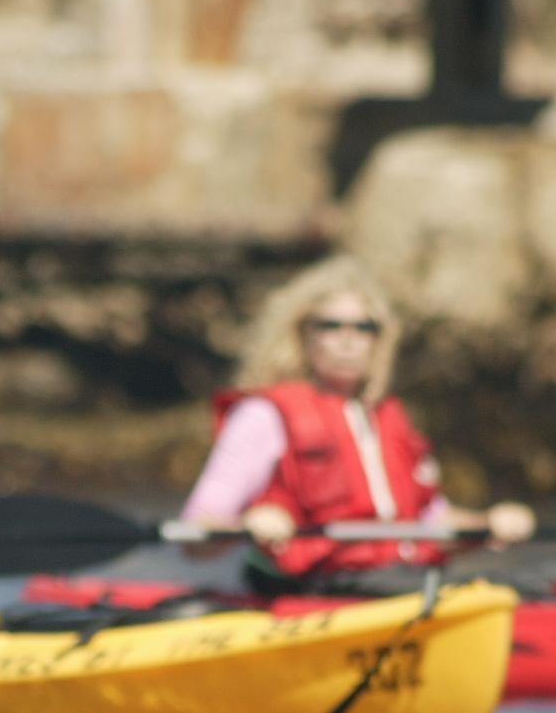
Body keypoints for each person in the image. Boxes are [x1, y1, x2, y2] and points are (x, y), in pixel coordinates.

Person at [179, 255, 535, 596]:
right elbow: (194, 538)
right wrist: (248, 528)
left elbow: (430, 523)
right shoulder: (264, 416)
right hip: (312, 588)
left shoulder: (387, 416)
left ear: (379, 340)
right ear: (303, 335)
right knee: (468, 591)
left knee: (527, 586)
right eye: (331, 326)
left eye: (364, 328)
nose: (348, 340)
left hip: (396, 578)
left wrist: (487, 526)